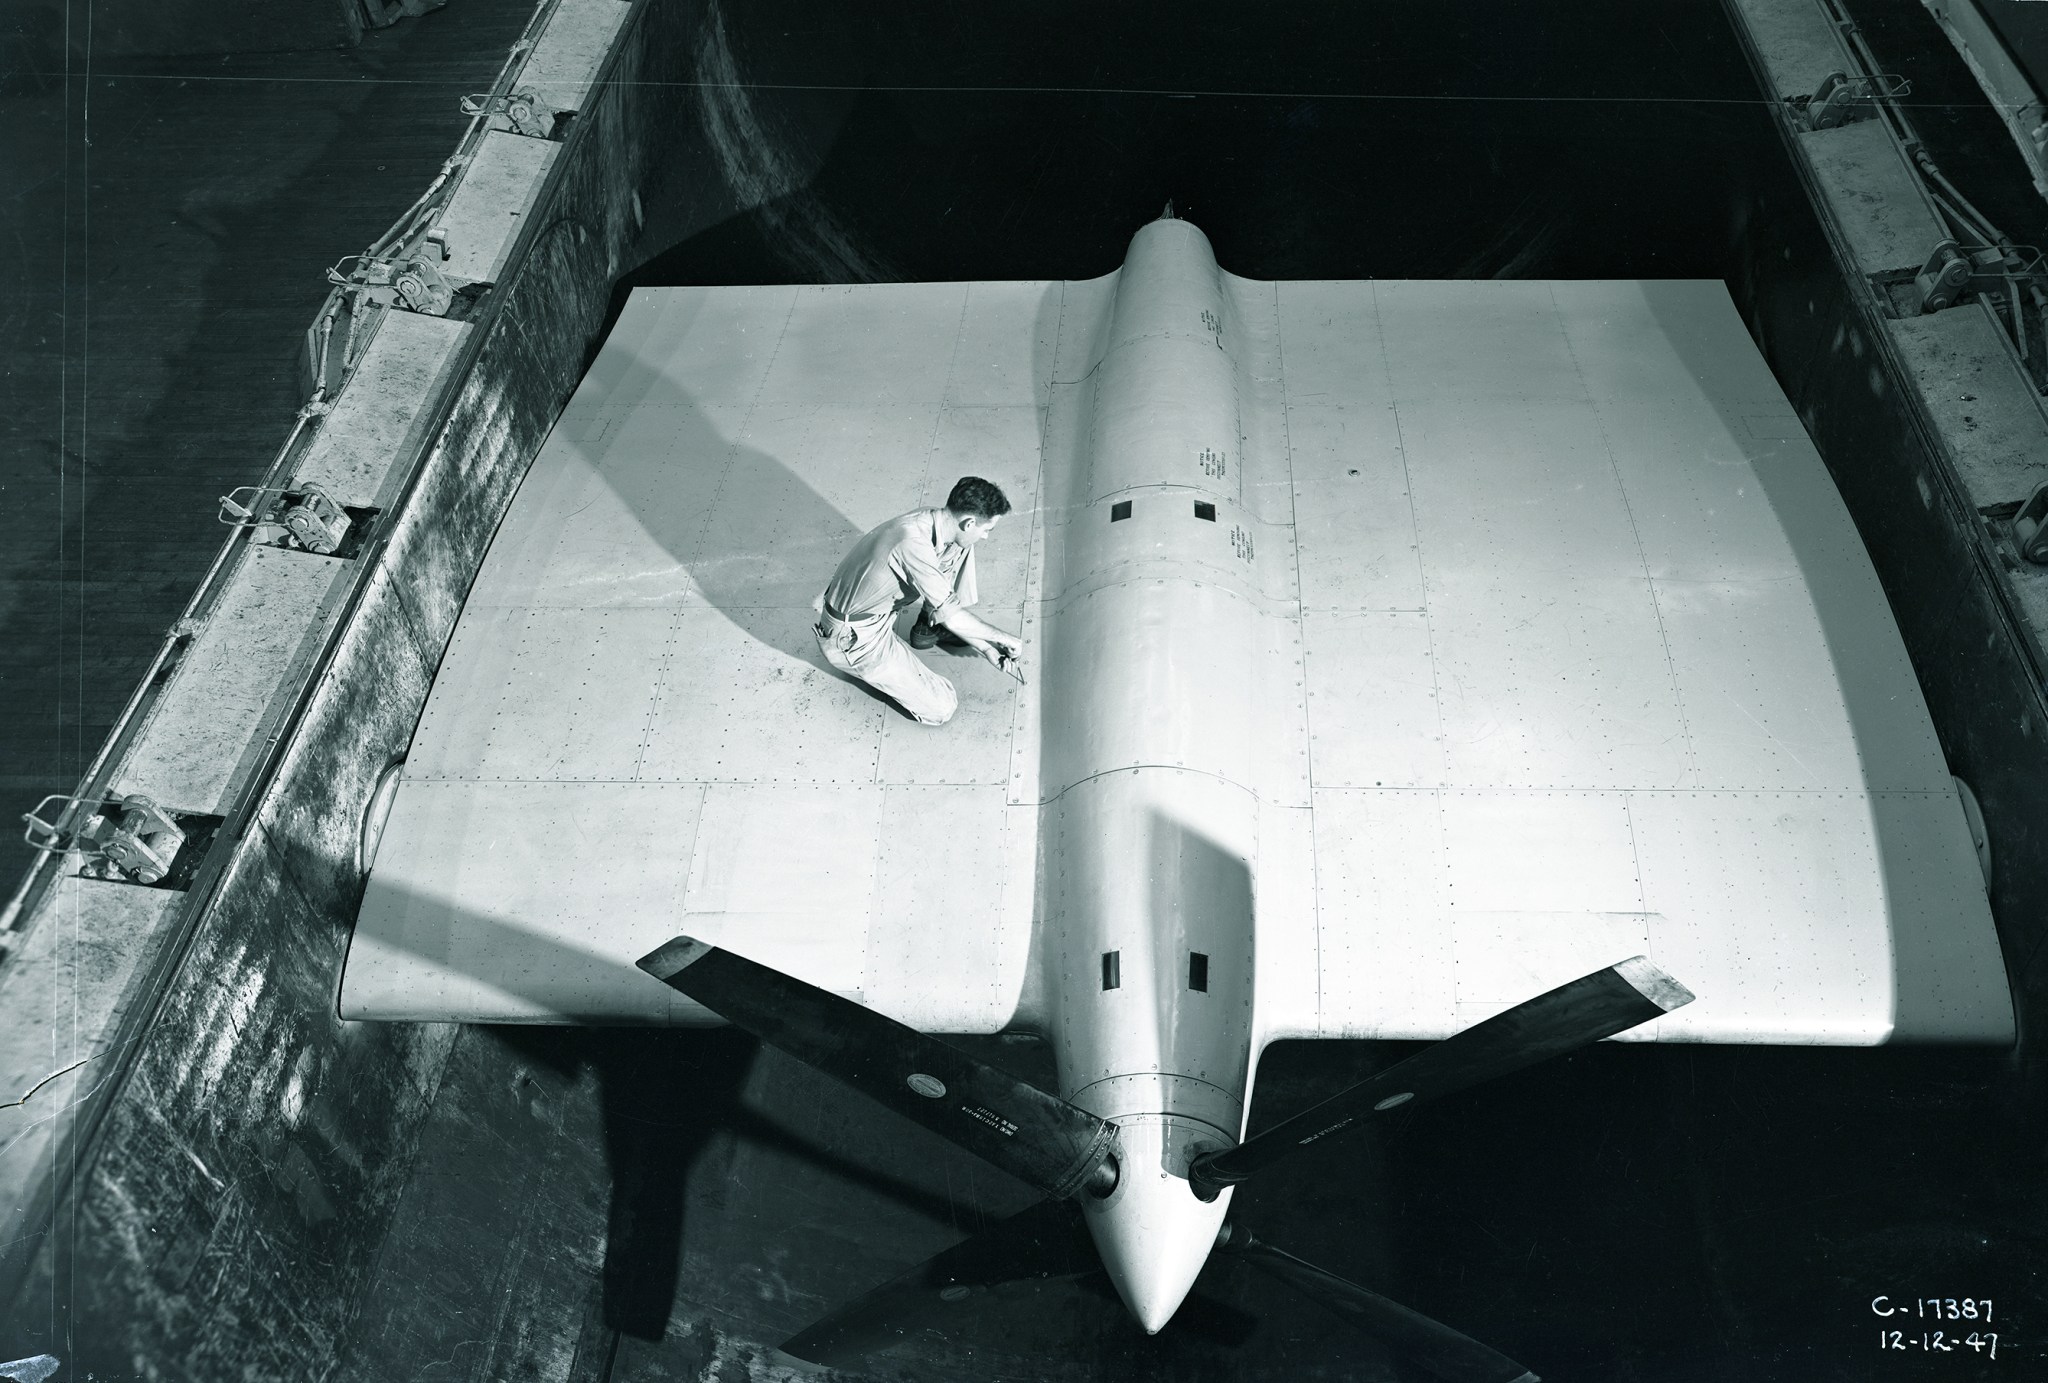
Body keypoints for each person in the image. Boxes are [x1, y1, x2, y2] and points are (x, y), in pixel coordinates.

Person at [813, 476, 1023, 725]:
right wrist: (1002, 640)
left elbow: (958, 548)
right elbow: (954, 618)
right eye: (987, 529)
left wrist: (987, 649)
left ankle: (930, 623)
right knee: (943, 707)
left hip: (878, 610)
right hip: (855, 637)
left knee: (960, 547)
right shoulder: (912, 543)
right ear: (969, 522)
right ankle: (926, 631)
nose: (987, 536)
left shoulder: (936, 520)